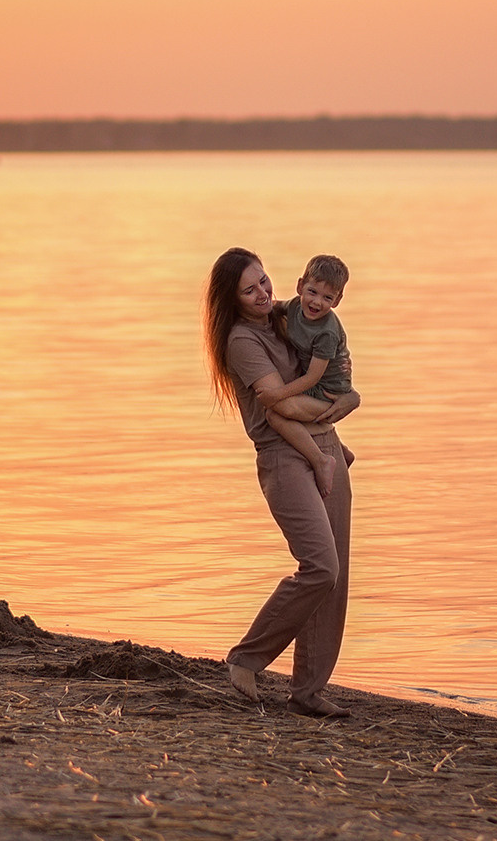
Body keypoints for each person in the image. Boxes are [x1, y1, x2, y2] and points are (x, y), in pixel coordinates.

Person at [205, 246, 360, 717]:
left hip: (328, 446)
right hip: (284, 457)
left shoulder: (289, 316)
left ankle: (308, 692)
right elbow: (283, 407)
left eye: (265, 282)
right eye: (249, 289)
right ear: (231, 299)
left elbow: (335, 365)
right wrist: (346, 402)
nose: (262, 294)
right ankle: (247, 658)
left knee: (335, 580)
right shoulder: (241, 342)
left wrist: (349, 397)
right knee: (319, 567)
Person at [263, 255, 354, 497]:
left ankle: (322, 460)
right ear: (300, 285)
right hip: (313, 384)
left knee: (275, 414)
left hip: (327, 391)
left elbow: (313, 377)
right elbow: (272, 308)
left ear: (337, 301)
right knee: (285, 410)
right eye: (312, 292)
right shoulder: (294, 306)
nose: (316, 302)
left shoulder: (327, 333)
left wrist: (277, 394)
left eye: (327, 298)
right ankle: (342, 451)